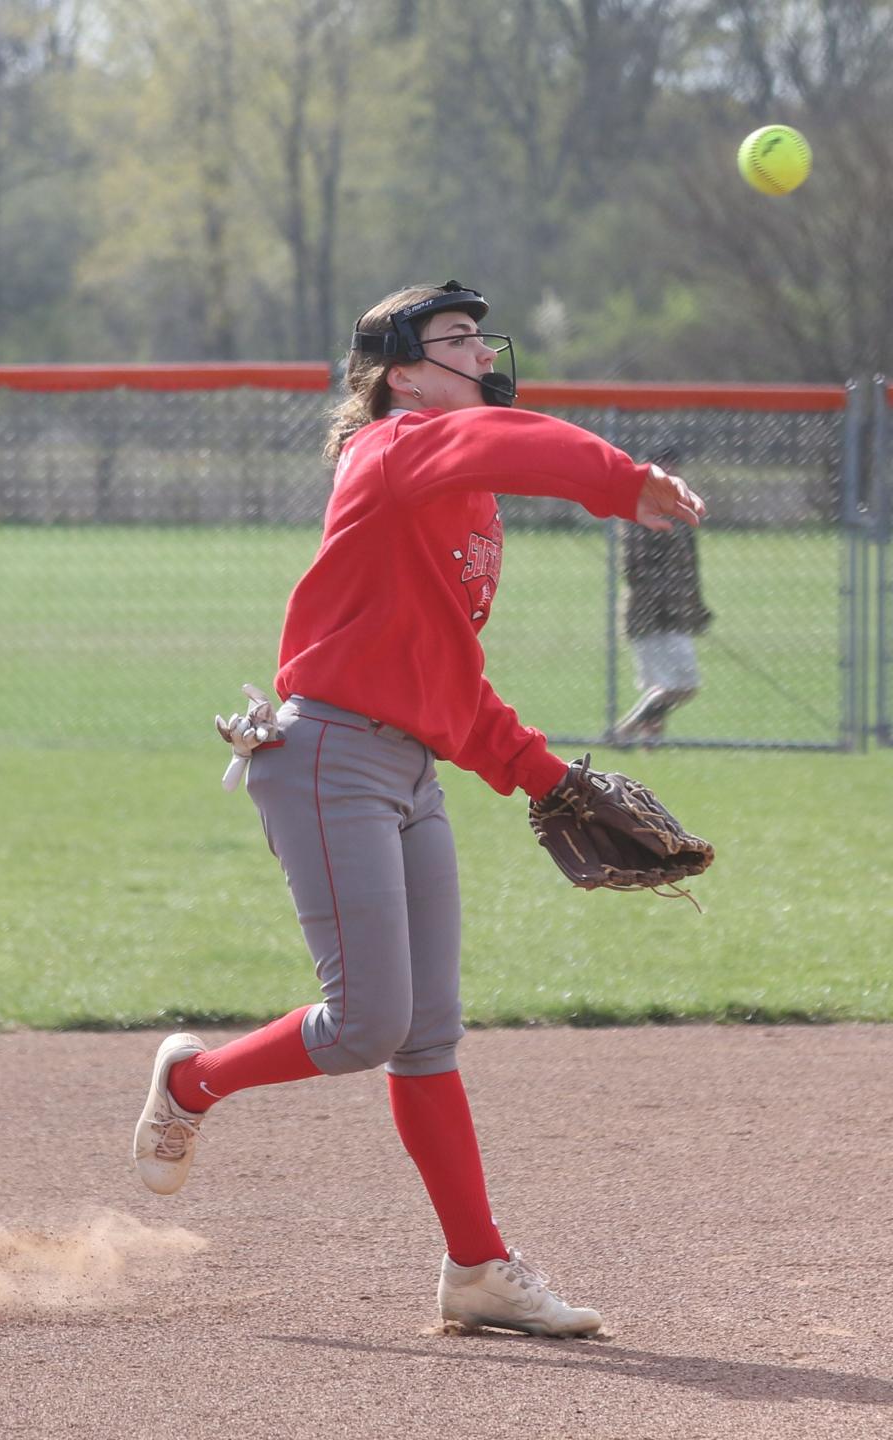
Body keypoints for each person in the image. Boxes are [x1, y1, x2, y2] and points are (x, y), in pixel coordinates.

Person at [133, 281, 706, 1337]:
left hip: (406, 771)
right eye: (457, 338)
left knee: (427, 1037)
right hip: (324, 757)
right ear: (402, 372)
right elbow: (515, 438)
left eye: (481, 334)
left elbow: (449, 681)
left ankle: (477, 1271)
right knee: (367, 1023)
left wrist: (549, 779)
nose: (483, 349)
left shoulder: (460, 496)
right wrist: (623, 483)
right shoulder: (395, 452)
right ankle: (195, 1080)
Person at [612, 444, 713, 746]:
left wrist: (696, 608)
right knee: (679, 685)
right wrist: (663, 596)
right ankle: (624, 732)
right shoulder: (640, 508)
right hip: (650, 613)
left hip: (676, 613)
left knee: (668, 686)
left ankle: (647, 744)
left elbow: (690, 568)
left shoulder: (680, 510)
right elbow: (634, 566)